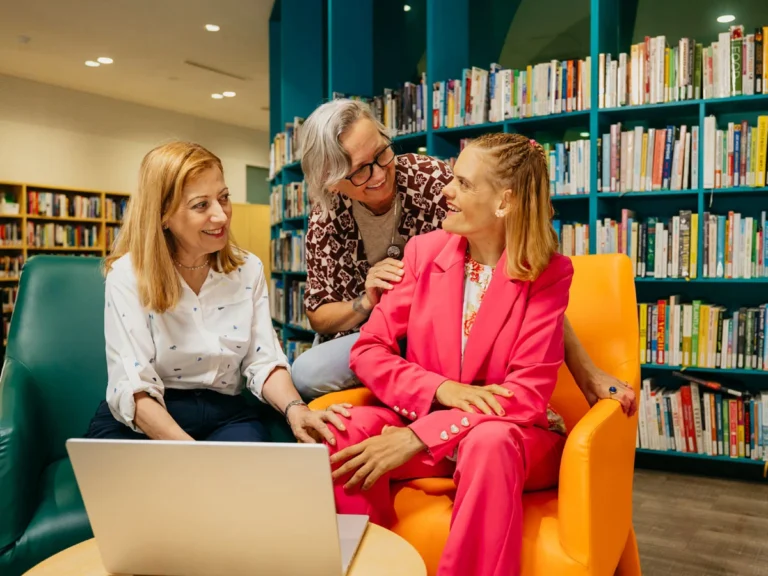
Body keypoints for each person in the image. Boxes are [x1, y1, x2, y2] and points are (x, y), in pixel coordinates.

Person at [291, 98, 636, 416]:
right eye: (360, 170)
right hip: (375, 330)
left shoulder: (432, 180)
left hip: (447, 321)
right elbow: (319, 314)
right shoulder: (326, 218)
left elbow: (519, 269)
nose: (380, 174)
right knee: (306, 373)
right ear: (332, 181)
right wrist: (366, 302)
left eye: (382, 154)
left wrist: (585, 370)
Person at [327, 133, 573, 576]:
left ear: (504, 202)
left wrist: (420, 436)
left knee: (489, 441)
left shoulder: (550, 274)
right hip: (427, 415)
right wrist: (440, 389)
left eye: (463, 183)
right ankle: (369, 567)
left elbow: (526, 395)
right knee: (347, 427)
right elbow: (368, 350)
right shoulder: (423, 253)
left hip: (511, 439)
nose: (446, 190)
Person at [84, 141, 349, 444]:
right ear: (162, 215)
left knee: (249, 482)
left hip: (226, 413)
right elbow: (134, 384)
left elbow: (263, 360)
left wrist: (296, 409)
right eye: (201, 205)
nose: (221, 216)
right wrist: (193, 457)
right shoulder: (128, 276)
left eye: (223, 198)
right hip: (149, 416)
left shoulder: (248, 269)